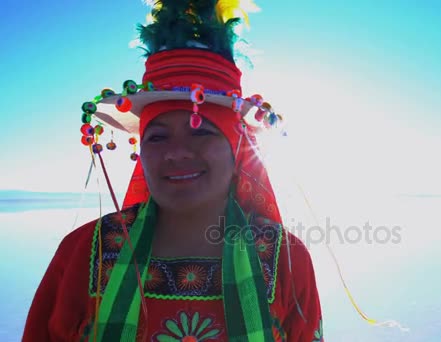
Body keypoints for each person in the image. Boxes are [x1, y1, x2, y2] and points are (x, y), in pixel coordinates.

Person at [22, 1, 323, 341]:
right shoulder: (83, 251)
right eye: (158, 136)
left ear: (237, 148)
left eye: (201, 131)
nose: (177, 152)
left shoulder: (286, 258)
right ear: (141, 152)